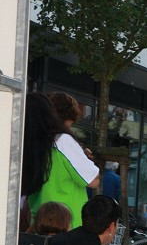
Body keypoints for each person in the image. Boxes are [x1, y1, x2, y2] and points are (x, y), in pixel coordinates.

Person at [22, 92, 99, 229]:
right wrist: (83, 158)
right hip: (66, 224)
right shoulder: (62, 141)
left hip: (38, 223)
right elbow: (93, 180)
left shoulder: (30, 144)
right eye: (70, 124)